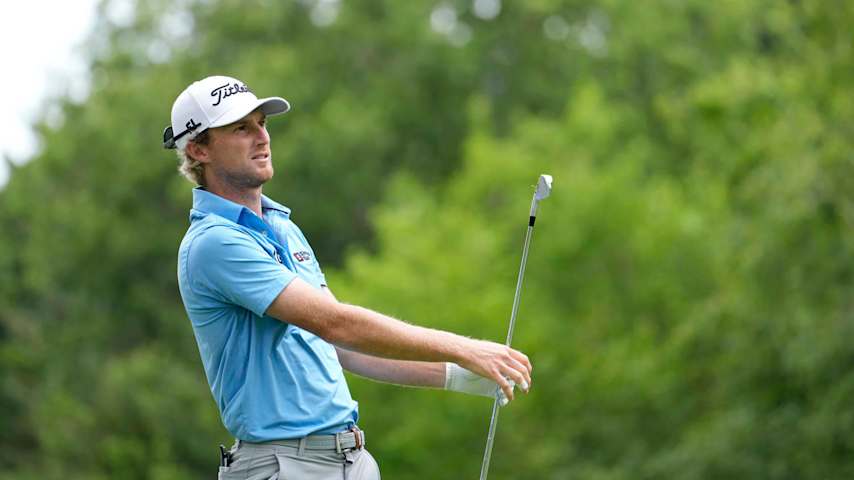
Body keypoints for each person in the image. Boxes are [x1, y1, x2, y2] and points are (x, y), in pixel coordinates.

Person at [164, 75, 532, 480]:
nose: (262, 137)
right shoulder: (213, 242)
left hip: (349, 459)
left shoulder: (282, 226)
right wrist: (465, 348)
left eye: (262, 123)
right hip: (285, 465)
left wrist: (460, 377)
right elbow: (336, 324)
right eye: (240, 128)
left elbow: (338, 346)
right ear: (198, 149)